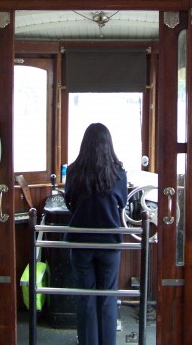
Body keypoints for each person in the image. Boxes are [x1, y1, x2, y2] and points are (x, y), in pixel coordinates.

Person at [64, 123, 128, 345]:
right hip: (109, 244)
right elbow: (122, 204)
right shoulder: (119, 173)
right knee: (108, 297)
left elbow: (69, 202)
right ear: (108, 145)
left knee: (86, 298)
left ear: (85, 144)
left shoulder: (73, 171)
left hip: (80, 243)